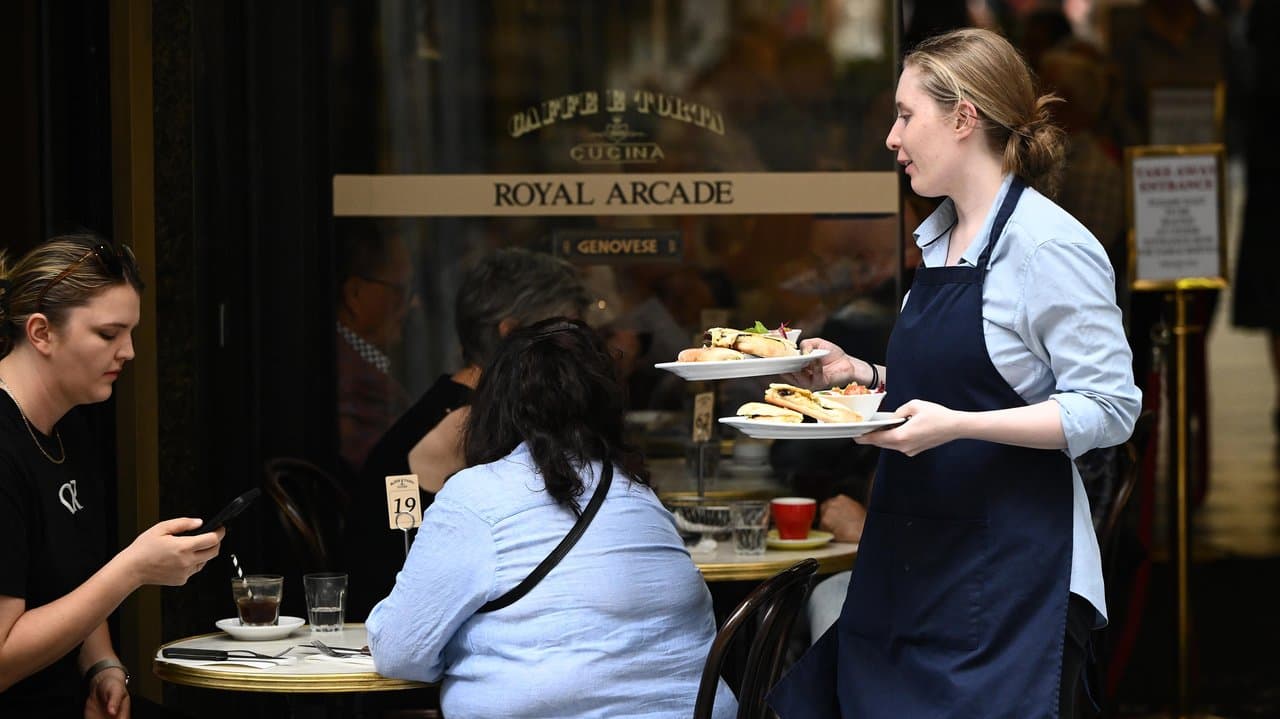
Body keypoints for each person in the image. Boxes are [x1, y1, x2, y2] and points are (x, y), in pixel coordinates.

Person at [768, 29, 1141, 718]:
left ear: (965, 118)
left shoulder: (1049, 245)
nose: (891, 137)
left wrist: (958, 426)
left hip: (1010, 585)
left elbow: (1110, 407)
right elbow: (946, 386)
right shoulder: (939, 239)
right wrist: (861, 373)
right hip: (913, 565)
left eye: (907, 115)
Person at [367, 318, 736, 719]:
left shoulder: (475, 497)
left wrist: (459, 653)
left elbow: (400, 651)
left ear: (493, 407)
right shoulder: (638, 494)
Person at [0, 235, 224, 717]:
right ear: (41, 333)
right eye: (108, 334)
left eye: (131, 332)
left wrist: (101, 664)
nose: (129, 352)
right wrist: (133, 570)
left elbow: (73, 582)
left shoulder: (70, 428)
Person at [346, 248, 588, 619]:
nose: (578, 350)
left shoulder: (455, 401)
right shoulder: (475, 420)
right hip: (400, 622)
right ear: (511, 334)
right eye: (565, 332)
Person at [335, 220, 416, 470]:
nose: (414, 304)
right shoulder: (355, 379)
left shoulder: (357, 365)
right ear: (355, 294)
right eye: (400, 291)